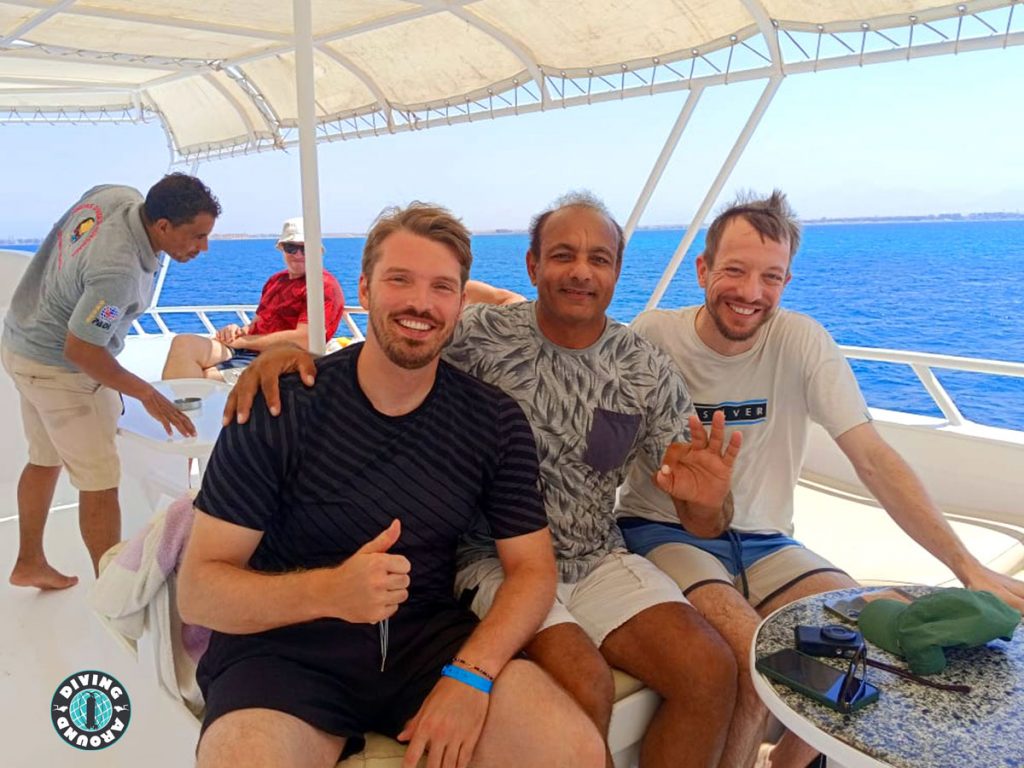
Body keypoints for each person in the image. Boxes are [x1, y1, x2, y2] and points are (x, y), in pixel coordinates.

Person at [223, 192, 743, 768]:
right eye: (563, 254)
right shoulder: (480, 335)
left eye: (599, 258)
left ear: (617, 271)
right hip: (488, 556)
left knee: (711, 671)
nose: (580, 271)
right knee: (583, 682)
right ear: (532, 266)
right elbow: (400, 346)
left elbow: (703, 514)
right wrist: (286, 362)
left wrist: (707, 505)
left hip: (596, 555)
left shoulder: (644, 368)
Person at [177, 202, 604, 768]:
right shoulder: (281, 405)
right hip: (281, 650)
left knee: (570, 751)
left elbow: (532, 570)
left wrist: (471, 676)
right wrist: (329, 592)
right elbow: (199, 590)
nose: (420, 304)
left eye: (441, 288)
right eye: (399, 280)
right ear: (365, 289)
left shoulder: (491, 420)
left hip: (425, 642)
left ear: (458, 303)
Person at [615, 190, 1024, 768]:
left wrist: (967, 567)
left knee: (858, 639)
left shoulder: (801, 341)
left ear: (786, 281)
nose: (751, 293)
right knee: (755, 656)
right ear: (703, 269)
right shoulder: (655, 335)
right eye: (734, 270)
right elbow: (598, 432)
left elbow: (873, 459)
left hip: (766, 539)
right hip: (663, 530)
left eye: (771, 277)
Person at [2, 174, 219, 589]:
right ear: (162, 227)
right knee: (99, 481)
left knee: (44, 458)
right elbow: (82, 351)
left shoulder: (118, 196)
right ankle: (114, 595)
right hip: (57, 370)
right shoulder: (118, 272)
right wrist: (146, 393)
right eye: (197, 236)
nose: (203, 247)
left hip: (20, 345)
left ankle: (29, 561)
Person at [161, 217, 344, 380]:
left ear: (317, 251)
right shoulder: (276, 281)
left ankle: (190, 415)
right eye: (291, 248)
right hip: (248, 350)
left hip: (283, 360)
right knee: (183, 344)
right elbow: (258, 323)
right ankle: (176, 415)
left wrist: (242, 342)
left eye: (305, 248)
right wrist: (238, 331)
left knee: (208, 376)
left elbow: (305, 339)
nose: (298, 255)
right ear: (281, 249)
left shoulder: (322, 285)